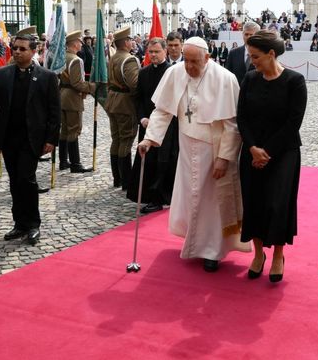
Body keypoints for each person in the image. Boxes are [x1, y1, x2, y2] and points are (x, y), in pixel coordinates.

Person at [138, 37, 250, 272]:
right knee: (192, 196)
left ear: (207, 58)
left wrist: (224, 157)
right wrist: (150, 138)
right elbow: (162, 110)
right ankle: (194, 242)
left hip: (213, 147)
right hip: (187, 146)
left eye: (194, 62)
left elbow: (232, 124)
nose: (188, 67)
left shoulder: (225, 79)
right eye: (186, 60)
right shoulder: (176, 72)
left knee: (212, 201)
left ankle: (213, 251)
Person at [0, 33, 60, 245]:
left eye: (23, 49)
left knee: (26, 179)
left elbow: (54, 111)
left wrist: (51, 138)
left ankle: (33, 224)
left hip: (32, 139)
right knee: (15, 181)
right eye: (15, 48)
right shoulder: (2, 74)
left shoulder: (47, 77)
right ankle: (19, 223)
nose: (17, 52)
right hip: (9, 137)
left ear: (34, 51)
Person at [237, 30, 306, 282]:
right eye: (250, 55)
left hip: (283, 152)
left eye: (255, 56)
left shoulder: (295, 81)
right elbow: (241, 117)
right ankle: (258, 254)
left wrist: (267, 151)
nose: (252, 60)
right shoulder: (249, 78)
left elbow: (293, 123)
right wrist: (253, 147)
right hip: (251, 150)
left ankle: (278, 254)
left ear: (271, 54)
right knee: (253, 201)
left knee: (277, 204)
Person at [127, 37, 177, 213]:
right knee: (147, 161)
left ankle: (160, 197)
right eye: (151, 52)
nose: (153, 55)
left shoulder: (172, 72)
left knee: (162, 161)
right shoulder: (143, 72)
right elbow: (139, 99)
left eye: (157, 51)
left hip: (167, 126)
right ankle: (148, 195)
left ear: (165, 51)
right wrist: (142, 118)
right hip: (147, 124)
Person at [105, 26, 140, 188]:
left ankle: (117, 178)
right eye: (130, 40)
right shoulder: (129, 59)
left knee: (117, 139)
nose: (132, 42)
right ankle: (126, 180)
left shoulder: (114, 56)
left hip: (113, 101)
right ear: (125, 42)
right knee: (126, 140)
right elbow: (134, 84)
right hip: (125, 103)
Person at [59, 30, 96, 175]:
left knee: (64, 130)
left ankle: (63, 161)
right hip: (72, 97)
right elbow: (77, 83)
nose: (81, 44)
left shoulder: (62, 57)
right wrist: (92, 87)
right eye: (79, 41)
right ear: (74, 43)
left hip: (61, 95)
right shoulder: (76, 60)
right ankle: (75, 163)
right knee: (74, 130)